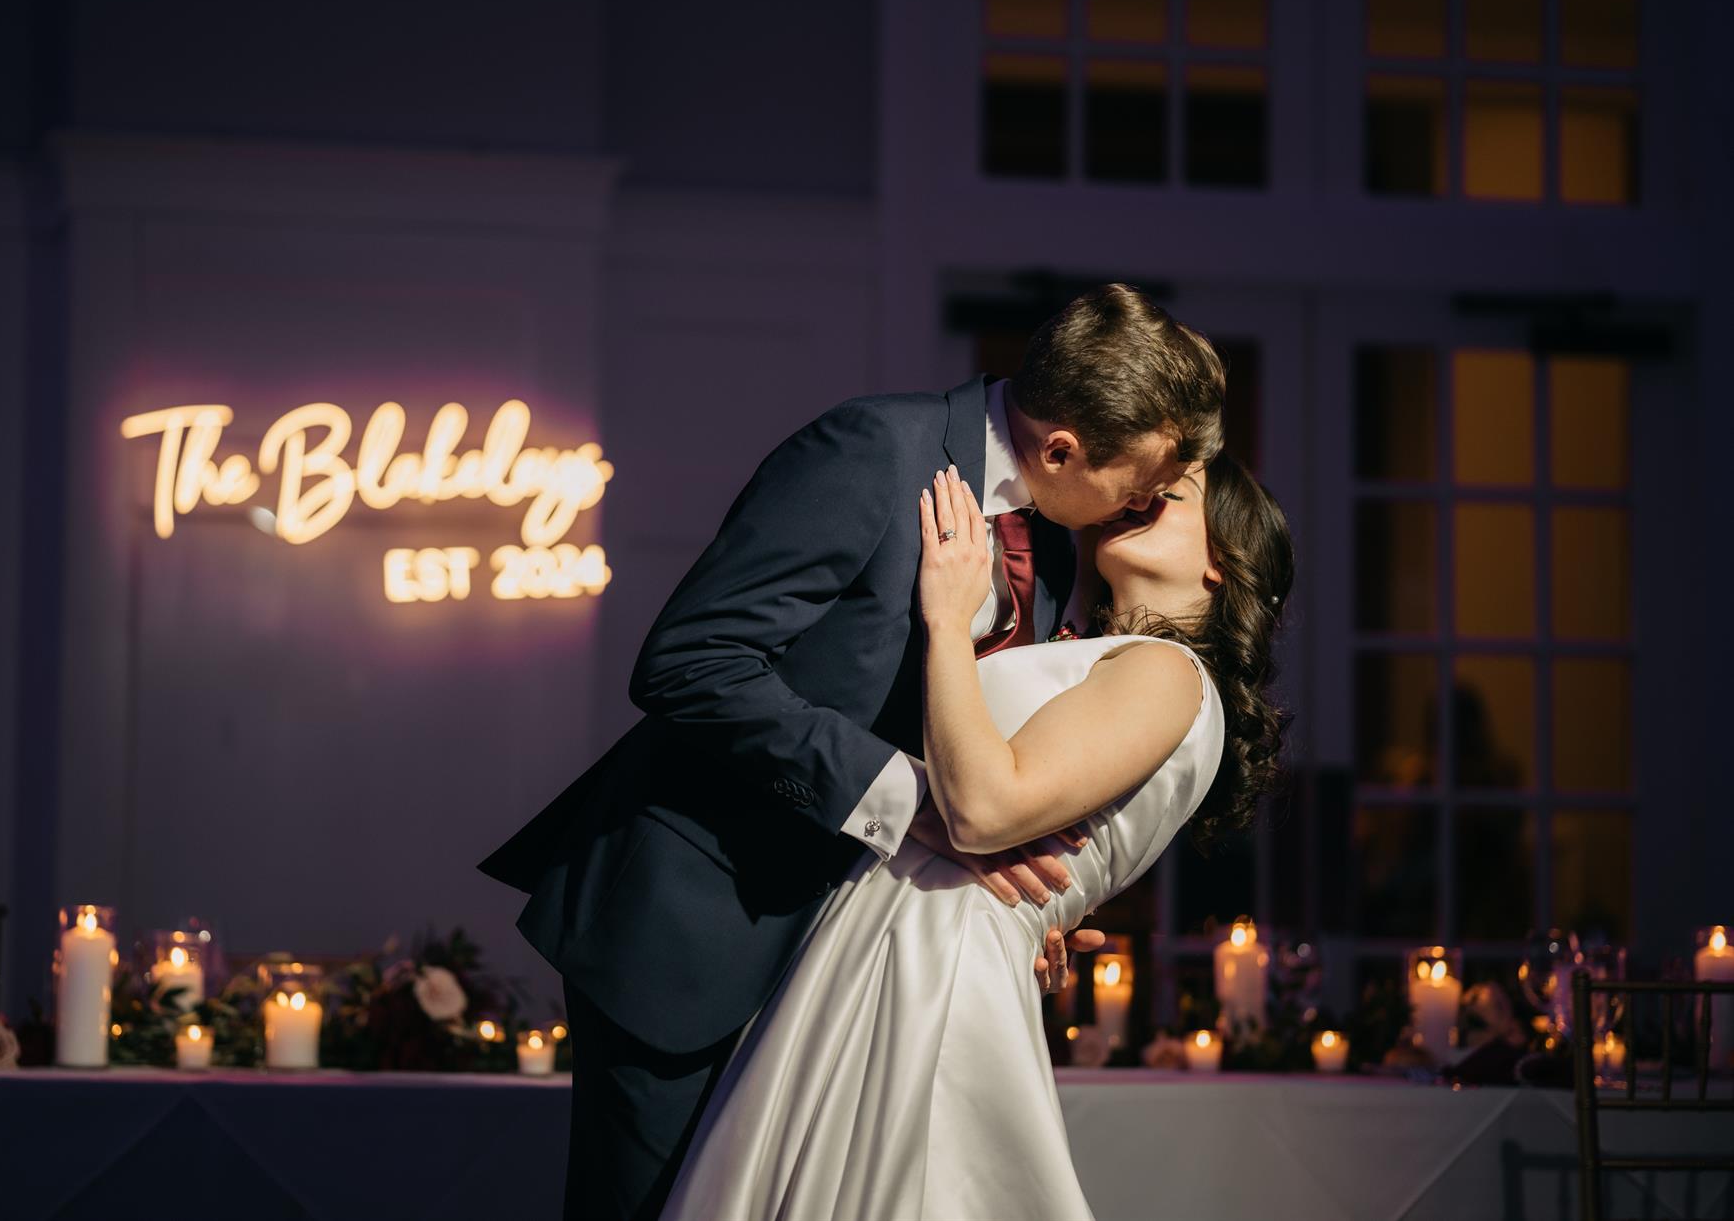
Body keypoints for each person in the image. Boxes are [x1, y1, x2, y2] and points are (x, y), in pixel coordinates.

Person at [479, 285, 1226, 1220]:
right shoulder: (873, 451)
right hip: (702, 923)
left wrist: (1019, 907)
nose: (1146, 501)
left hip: (846, 968)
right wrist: (908, 802)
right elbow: (689, 660)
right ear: (1062, 450)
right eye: (1142, 482)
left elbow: (976, 735)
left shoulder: (1063, 544)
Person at [661, 453, 1294, 1220]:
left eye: (1172, 494)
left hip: (940, 954)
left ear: (1223, 562)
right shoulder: (1112, 659)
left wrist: (947, 617)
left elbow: (984, 809)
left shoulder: (1170, 671)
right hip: (897, 935)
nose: (1141, 497)